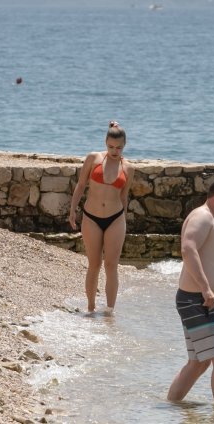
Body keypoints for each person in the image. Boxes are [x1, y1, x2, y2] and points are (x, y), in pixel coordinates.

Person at [167, 174, 214, 407]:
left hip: (200, 299)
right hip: (197, 299)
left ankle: (171, 405)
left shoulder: (209, 218)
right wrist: (207, 291)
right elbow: (188, 249)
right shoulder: (202, 216)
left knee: (199, 362)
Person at [69, 121, 134, 315]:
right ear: (105, 142)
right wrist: (72, 210)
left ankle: (109, 312)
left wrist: (124, 219)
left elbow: (124, 196)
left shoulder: (128, 167)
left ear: (124, 145)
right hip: (91, 217)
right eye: (111, 147)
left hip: (116, 218)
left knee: (112, 265)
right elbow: (81, 185)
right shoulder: (93, 158)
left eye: (119, 147)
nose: (115, 151)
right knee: (94, 264)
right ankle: (90, 308)